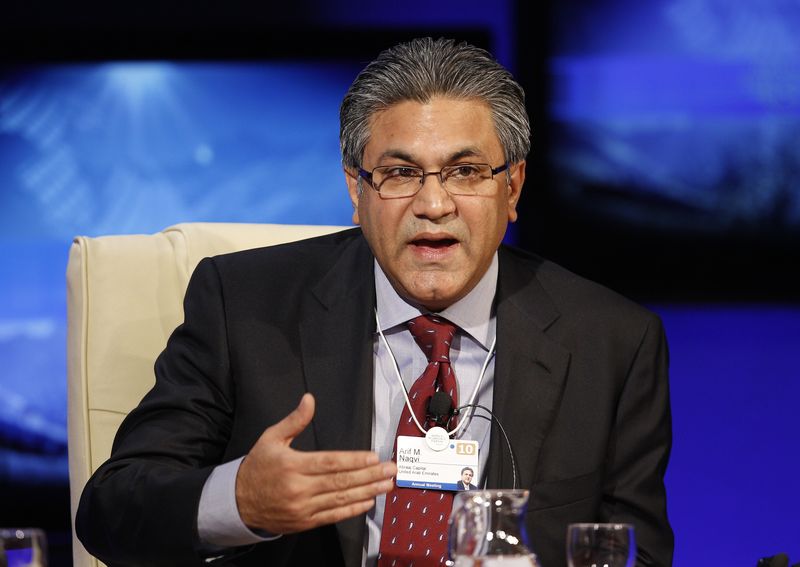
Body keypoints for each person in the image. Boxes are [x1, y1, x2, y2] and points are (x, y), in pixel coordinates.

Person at [76, 37, 673, 567]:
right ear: (356, 190)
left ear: (511, 187)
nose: (433, 203)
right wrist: (240, 500)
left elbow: (634, 552)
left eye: (465, 171)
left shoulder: (612, 341)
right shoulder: (244, 305)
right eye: (399, 173)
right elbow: (112, 508)